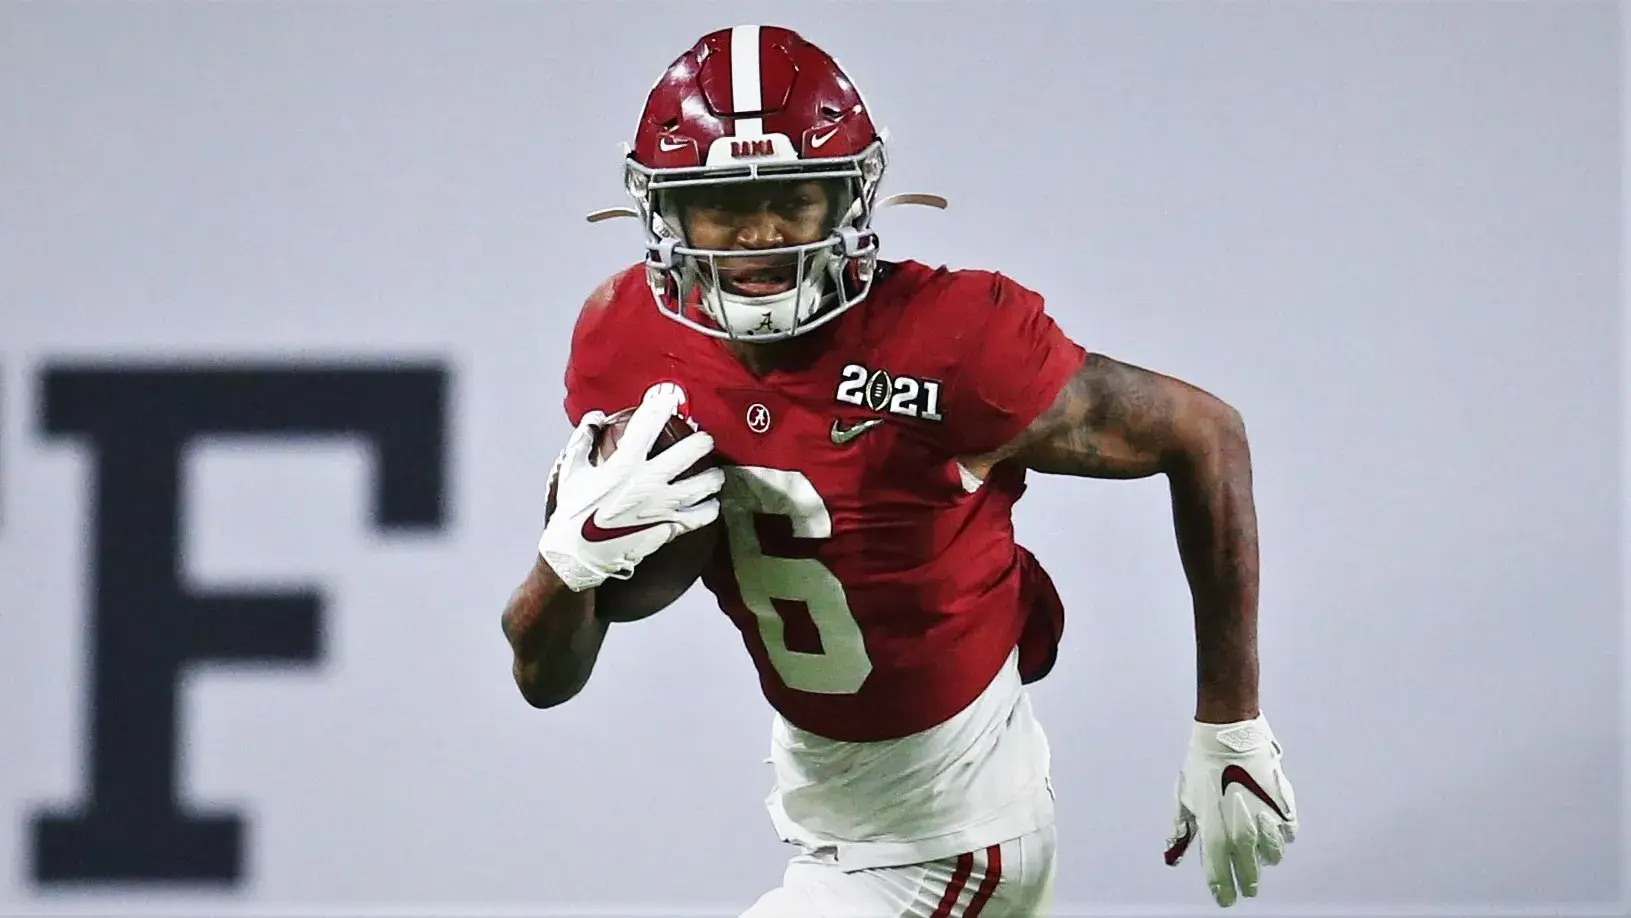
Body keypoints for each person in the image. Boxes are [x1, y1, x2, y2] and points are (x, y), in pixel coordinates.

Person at [500, 24, 1299, 916]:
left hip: (952, 829)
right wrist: (571, 563)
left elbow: (1204, 432)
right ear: (668, 214)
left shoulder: (953, 341)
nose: (757, 235)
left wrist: (1229, 720)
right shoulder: (625, 338)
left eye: (793, 197)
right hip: (826, 811)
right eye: (722, 202)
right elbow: (548, 678)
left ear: (847, 200)